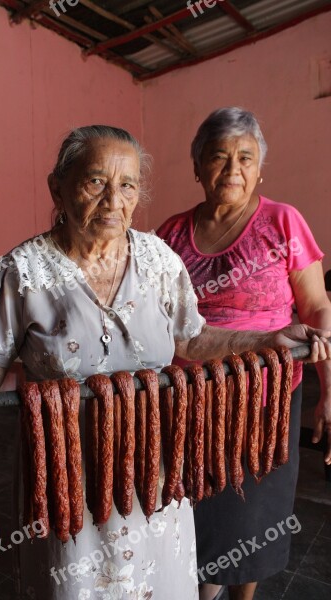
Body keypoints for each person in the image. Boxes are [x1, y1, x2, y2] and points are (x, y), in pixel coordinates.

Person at [0, 125, 329, 600]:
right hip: (66, 473)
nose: (113, 200)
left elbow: (195, 337)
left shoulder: (159, 260)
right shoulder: (21, 271)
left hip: (155, 472)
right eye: (95, 182)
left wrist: (268, 337)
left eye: (127, 185)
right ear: (57, 187)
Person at [157, 107, 331, 600]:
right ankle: (201, 589)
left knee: (251, 511)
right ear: (197, 167)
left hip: (267, 398)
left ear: (259, 168)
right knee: (196, 505)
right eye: (218, 157)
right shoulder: (170, 235)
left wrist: (328, 392)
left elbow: (318, 306)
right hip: (190, 398)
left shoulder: (282, 222)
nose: (232, 169)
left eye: (245, 157)